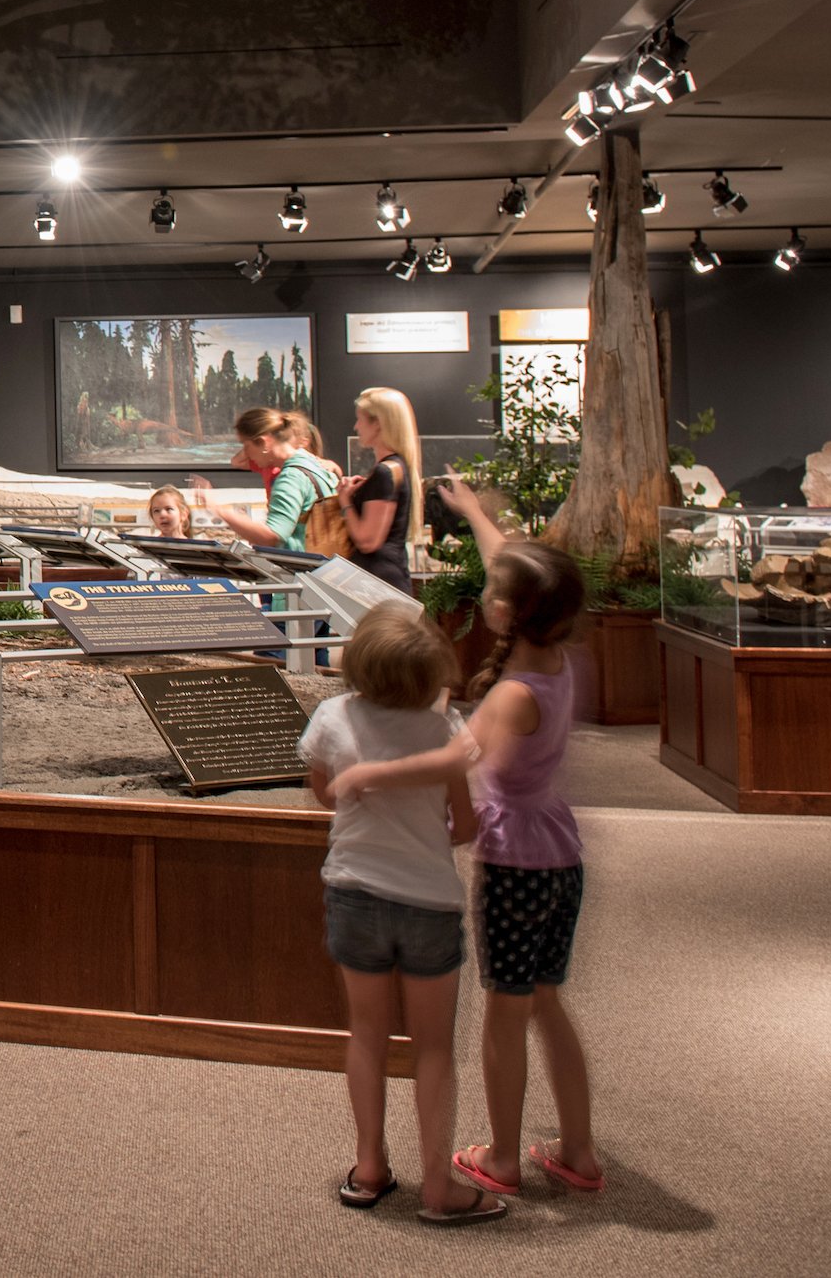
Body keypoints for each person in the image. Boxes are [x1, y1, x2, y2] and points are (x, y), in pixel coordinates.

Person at [333, 480, 605, 1202]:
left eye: (497, 588)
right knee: (547, 1000)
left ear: (506, 611)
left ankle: (506, 1156)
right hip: (562, 854)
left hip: (516, 863)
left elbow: (455, 758)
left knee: (505, 1012)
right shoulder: (556, 656)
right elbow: (509, 562)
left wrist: (371, 771)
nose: (490, 582)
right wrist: (478, 512)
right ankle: (577, 1148)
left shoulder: (513, 693)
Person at [301, 605, 499, 1225]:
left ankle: (369, 1166)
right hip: (429, 901)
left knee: (366, 1033)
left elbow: (325, 791)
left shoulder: (333, 717)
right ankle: (439, 1183)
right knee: (434, 1048)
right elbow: (464, 825)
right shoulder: (443, 732)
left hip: (354, 889)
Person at [186, 407, 341, 550]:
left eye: (246, 446)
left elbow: (272, 537)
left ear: (264, 442)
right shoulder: (311, 463)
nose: (246, 453)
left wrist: (217, 509)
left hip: (302, 572)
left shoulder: (291, 477)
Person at [338, 388, 424, 592]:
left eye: (360, 419)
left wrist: (345, 503)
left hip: (377, 583)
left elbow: (367, 540)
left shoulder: (385, 472)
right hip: (385, 579)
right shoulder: (396, 468)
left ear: (377, 423)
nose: (356, 426)